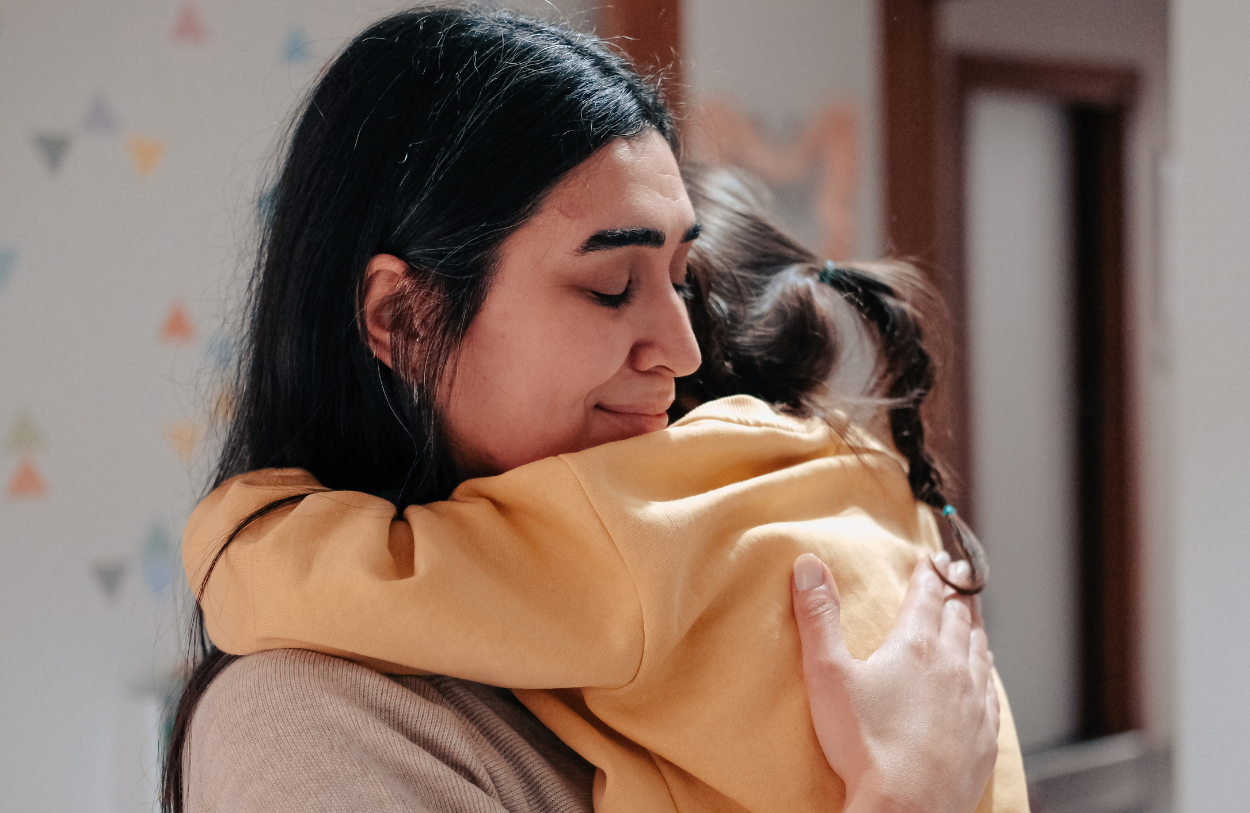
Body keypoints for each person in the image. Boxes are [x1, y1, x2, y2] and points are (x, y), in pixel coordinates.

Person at [163, 7, 1022, 813]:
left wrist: (251, 531)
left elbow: (317, 572)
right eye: (612, 288)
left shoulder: (629, 530)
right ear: (400, 316)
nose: (683, 350)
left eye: (684, 279)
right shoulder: (308, 720)